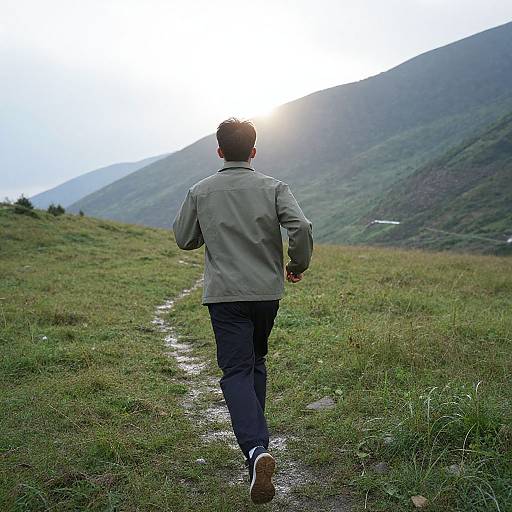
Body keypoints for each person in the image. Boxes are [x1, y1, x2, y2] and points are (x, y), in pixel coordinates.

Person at [172, 117, 313, 504]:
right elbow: (300, 226)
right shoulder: (274, 187)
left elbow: (184, 238)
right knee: (257, 361)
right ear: (253, 151)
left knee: (236, 369)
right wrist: (296, 265)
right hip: (267, 293)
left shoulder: (200, 191)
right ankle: (258, 446)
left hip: (225, 295)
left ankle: (254, 451)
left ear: (219, 151)